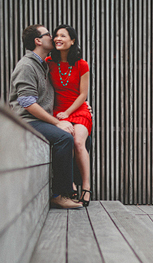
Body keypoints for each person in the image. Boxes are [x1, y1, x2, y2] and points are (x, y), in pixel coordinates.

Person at [8, 24, 82, 209]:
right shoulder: (26, 66)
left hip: (40, 119)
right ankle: (59, 194)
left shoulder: (44, 65)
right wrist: (57, 122)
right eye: (49, 34)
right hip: (27, 121)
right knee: (64, 138)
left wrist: (81, 104)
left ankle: (73, 187)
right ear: (38, 41)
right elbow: (27, 103)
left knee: (80, 135)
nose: (53, 37)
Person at [46, 25, 92, 207]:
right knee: (67, 140)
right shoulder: (48, 62)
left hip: (78, 109)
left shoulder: (82, 64)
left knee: (79, 142)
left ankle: (86, 187)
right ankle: (69, 184)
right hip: (58, 112)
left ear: (72, 41)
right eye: (56, 35)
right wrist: (59, 115)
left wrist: (68, 112)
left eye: (62, 36)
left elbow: (83, 95)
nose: (58, 38)